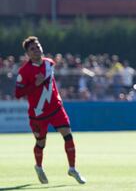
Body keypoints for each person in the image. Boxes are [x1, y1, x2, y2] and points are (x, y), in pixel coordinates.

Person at [14, 36, 86, 184]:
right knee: (41, 143)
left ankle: (72, 168)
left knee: (68, 136)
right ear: (28, 54)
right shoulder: (24, 71)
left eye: (37, 46)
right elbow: (18, 93)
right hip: (38, 114)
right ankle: (39, 167)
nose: (36, 50)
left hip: (56, 108)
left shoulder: (49, 63)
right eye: (32, 49)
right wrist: (35, 84)